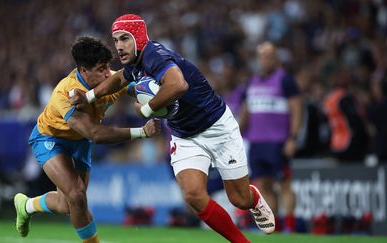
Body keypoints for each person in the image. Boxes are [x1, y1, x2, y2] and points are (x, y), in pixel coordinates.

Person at [70, 14, 275, 243]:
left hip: (217, 127)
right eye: (116, 40)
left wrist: (146, 111)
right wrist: (88, 96)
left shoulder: (154, 55)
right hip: (185, 135)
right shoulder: (134, 64)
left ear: (138, 38)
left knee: (240, 200)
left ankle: (253, 198)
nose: (119, 46)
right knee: (193, 195)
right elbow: (119, 79)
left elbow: (178, 84)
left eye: (124, 38)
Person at [13, 36, 160, 243]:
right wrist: (141, 132)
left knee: (69, 205)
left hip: (80, 141)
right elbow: (95, 134)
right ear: (83, 71)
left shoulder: (110, 80)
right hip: (51, 138)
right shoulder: (65, 94)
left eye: (108, 67)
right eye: (101, 69)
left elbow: (136, 88)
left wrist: (147, 102)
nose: (107, 73)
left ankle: (26, 206)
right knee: (77, 194)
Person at [238, 42, 302, 232]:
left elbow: (297, 109)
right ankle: (275, 227)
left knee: (284, 184)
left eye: (269, 56)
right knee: (263, 185)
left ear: (276, 59)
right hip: (256, 141)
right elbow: (245, 113)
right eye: (262, 57)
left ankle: (290, 227)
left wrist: (293, 137)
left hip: (278, 141)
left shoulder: (285, 81)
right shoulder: (251, 82)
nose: (265, 60)